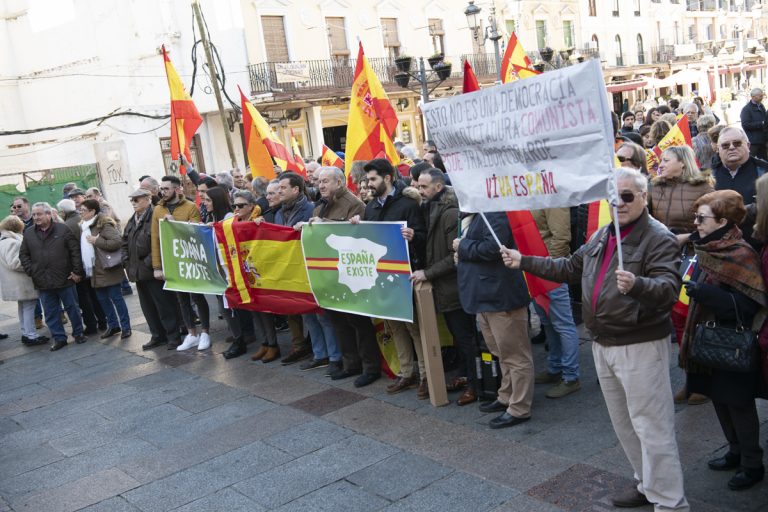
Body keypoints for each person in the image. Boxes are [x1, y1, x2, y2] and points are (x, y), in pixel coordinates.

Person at [501, 168, 689, 510]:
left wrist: (638, 284)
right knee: (625, 424)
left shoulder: (658, 237)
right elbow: (569, 267)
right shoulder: (603, 234)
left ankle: (670, 502)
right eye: (613, 197)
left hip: (639, 344)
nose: (619, 203)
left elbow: (668, 289)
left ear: (644, 197)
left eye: (628, 196)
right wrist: (523, 261)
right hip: (604, 342)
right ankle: (646, 483)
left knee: (652, 428)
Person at [682, 189, 766, 491]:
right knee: (718, 399)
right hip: (707, 342)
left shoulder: (740, 252)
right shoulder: (707, 247)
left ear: (722, 220)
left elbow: (749, 305)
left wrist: (707, 295)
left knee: (739, 405)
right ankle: (734, 451)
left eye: (701, 218)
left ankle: (752, 464)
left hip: (732, 345)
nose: (696, 223)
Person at [455, 211, 533, 427]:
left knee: (515, 355)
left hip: (500, 296)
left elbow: (493, 249)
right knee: (501, 352)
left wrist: (461, 246)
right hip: (484, 296)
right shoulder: (472, 214)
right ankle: (506, 396)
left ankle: (519, 407)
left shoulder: (495, 211)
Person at [412, 169, 479, 405]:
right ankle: (465, 375)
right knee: (458, 336)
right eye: (418, 186)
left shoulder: (450, 213)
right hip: (446, 287)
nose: (419, 190)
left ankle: (475, 384)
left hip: (454, 287)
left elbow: (454, 256)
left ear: (438, 188)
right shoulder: (430, 208)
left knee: (465, 337)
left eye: (423, 187)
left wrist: (427, 273)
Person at [307, 167, 379, 382]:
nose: (321, 185)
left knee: (358, 321)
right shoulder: (319, 207)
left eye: (326, 181)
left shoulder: (354, 204)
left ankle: (370, 367)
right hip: (331, 272)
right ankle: (350, 363)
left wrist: (324, 225)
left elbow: (354, 234)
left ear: (339, 182)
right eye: (319, 181)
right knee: (338, 320)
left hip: (352, 274)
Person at [361, 158, 427, 394]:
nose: (368, 184)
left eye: (373, 179)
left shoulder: (408, 204)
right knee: (395, 325)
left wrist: (413, 235)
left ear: (387, 178)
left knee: (414, 326)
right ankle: (406, 372)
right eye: (368, 179)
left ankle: (426, 375)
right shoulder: (370, 207)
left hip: (406, 274)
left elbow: (423, 235)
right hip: (383, 275)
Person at [530, 205, 581, 399]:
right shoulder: (530, 193)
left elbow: (561, 237)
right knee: (548, 322)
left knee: (562, 324)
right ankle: (555, 368)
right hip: (535, 267)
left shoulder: (551, 196)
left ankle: (570, 377)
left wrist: (549, 267)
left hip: (549, 269)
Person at [19, 202, 87, 351]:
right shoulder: (29, 233)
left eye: (39, 214)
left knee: (73, 308)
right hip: (42, 280)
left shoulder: (62, 229)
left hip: (65, 278)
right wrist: (31, 270)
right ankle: (59, 338)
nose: (36, 217)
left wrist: (77, 272)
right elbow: (23, 254)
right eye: (34, 214)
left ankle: (78, 333)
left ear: (48, 214)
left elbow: (74, 251)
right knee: (50, 312)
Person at [223, 191, 281, 362]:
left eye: (241, 205)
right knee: (253, 308)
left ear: (250, 206)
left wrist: (257, 225)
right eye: (235, 205)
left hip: (259, 269)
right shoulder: (234, 221)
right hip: (243, 270)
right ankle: (264, 342)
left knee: (264, 309)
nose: (237, 209)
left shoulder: (260, 219)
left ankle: (272, 344)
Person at [122, 188, 181, 350]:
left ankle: (173, 336)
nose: (134, 203)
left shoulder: (156, 214)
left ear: (148, 198)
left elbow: (162, 242)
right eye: (132, 200)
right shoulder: (132, 219)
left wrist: (148, 263)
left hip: (152, 269)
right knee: (148, 307)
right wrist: (127, 261)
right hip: (137, 272)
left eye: (137, 199)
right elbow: (125, 242)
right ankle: (157, 335)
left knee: (164, 305)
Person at [151, 175, 204, 350]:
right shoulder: (158, 209)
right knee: (182, 298)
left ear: (176, 189)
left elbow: (197, 232)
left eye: (166, 188)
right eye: (161, 188)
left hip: (191, 259)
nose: (162, 191)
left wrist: (176, 224)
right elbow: (155, 238)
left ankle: (205, 332)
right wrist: (157, 267)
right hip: (172, 260)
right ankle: (191, 333)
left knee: (197, 296)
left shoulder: (190, 206)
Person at [274, 171, 315, 365]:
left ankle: (318, 348)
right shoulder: (278, 213)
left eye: (283, 188)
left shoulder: (310, 210)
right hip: (287, 267)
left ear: (296, 189)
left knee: (313, 313)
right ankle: (299, 345)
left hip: (306, 266)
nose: (279, 191)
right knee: (291, 308)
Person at [79, 199, 131, 340]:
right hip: (94, 270)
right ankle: (113, 325)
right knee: (103, 300)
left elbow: (117, 242)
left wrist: (97, 241)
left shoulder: (104, 224)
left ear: (92, 212)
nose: (81, 212)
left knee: (116, 299)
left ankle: (126, 327)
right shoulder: (84, 226)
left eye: (83, 210)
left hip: (108, 268)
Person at [712, 127, 768, 247]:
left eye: (737, 143)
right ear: (718, 150)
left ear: (748, 145)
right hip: (720, 248)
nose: (732, 147)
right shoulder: (709, 175)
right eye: (725, 145)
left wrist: (735, 214)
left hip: (759, 246)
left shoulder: (764, 171)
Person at [58, 198, 106, 335]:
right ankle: (103, 321)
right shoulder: (82, 220)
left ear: (63, 211)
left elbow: (71, 250)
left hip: (79, 266)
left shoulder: (67, 225)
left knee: (84, 298)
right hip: (89, 263)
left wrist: (76, 270)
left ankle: (91, 324)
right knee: (94, 294)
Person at [0, 215, 47, 346]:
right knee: (28, 308)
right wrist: (34, 266)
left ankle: (26, 333)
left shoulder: (4, 240)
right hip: (22, 282)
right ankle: (31, 335)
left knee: (23, 308)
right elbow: (15, 263)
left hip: (16, 283)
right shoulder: (12, 242)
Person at [650, 145, 715, 237]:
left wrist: (688, 238)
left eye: (666, 161)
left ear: (683, 162)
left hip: (690, 248)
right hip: (658, 247)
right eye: (661, 161)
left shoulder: (703, 188)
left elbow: (713, 223)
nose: (660, 165)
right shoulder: (654, 186)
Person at [740, 88, 767, 160]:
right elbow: (745, 125)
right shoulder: (746, 109)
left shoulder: (761, 106)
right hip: (753, 141)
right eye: (760, 96)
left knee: (764, 163)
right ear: (753, 96)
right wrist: (761, 124)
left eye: (762, 95)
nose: (762, 97)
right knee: (748, 161)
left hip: (762, 140)